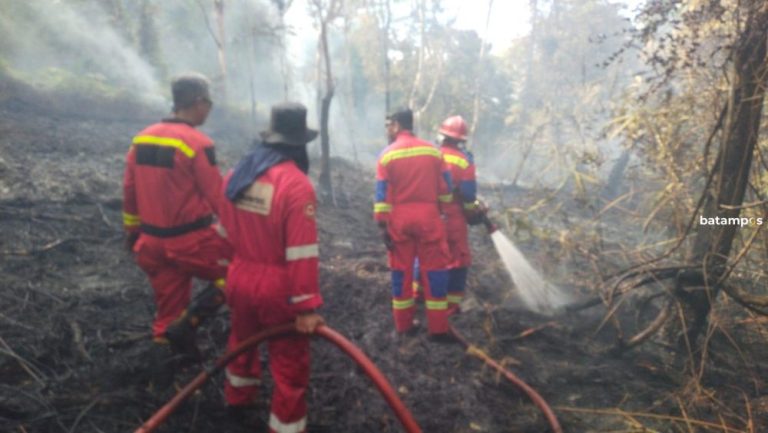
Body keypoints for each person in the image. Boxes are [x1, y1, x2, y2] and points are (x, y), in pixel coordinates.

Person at [218, 102, 324, 432]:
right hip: (277, 288)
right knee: (290, 364)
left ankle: (237, 401)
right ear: (299, 143)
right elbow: (301, 253)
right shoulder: (296, 185)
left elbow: (223, 232)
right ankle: (286, 426)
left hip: (239, 275)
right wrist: (306, 307)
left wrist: (225, 274)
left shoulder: (237, 175)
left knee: (241, 343)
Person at [122, 73, 231, 369]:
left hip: (151, 244)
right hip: (191, 242)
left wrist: (132, 232)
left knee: (167, 312)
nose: (209, 110)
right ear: (197, 102)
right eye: (208, 103)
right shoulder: (197, 142)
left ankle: (163, 375)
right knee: (238, 273)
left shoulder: (141, 138)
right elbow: (217, 196)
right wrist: (239, 233)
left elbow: (129, 191)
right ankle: (190, 323)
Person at [374, 107, 453, 337]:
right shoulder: (434, 152)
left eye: (389, 125)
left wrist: (382, 226)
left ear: (397, 125)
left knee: (401, 273)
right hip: (429, 219)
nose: (388, 130)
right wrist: (440, 208)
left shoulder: (387, 155)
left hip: (399, 222)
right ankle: (438, 328)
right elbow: (446, 189)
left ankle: (404, 326)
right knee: (435, 272)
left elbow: (382, 197)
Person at [434, 115, 478, 313]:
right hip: (454, 218)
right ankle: (452, 305)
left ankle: (422, 297)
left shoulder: (432, 155)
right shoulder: (464, 161)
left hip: (432, 215)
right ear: (462, 140)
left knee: (430, 256)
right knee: (459, 259)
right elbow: (469, 195)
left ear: (442, 136)